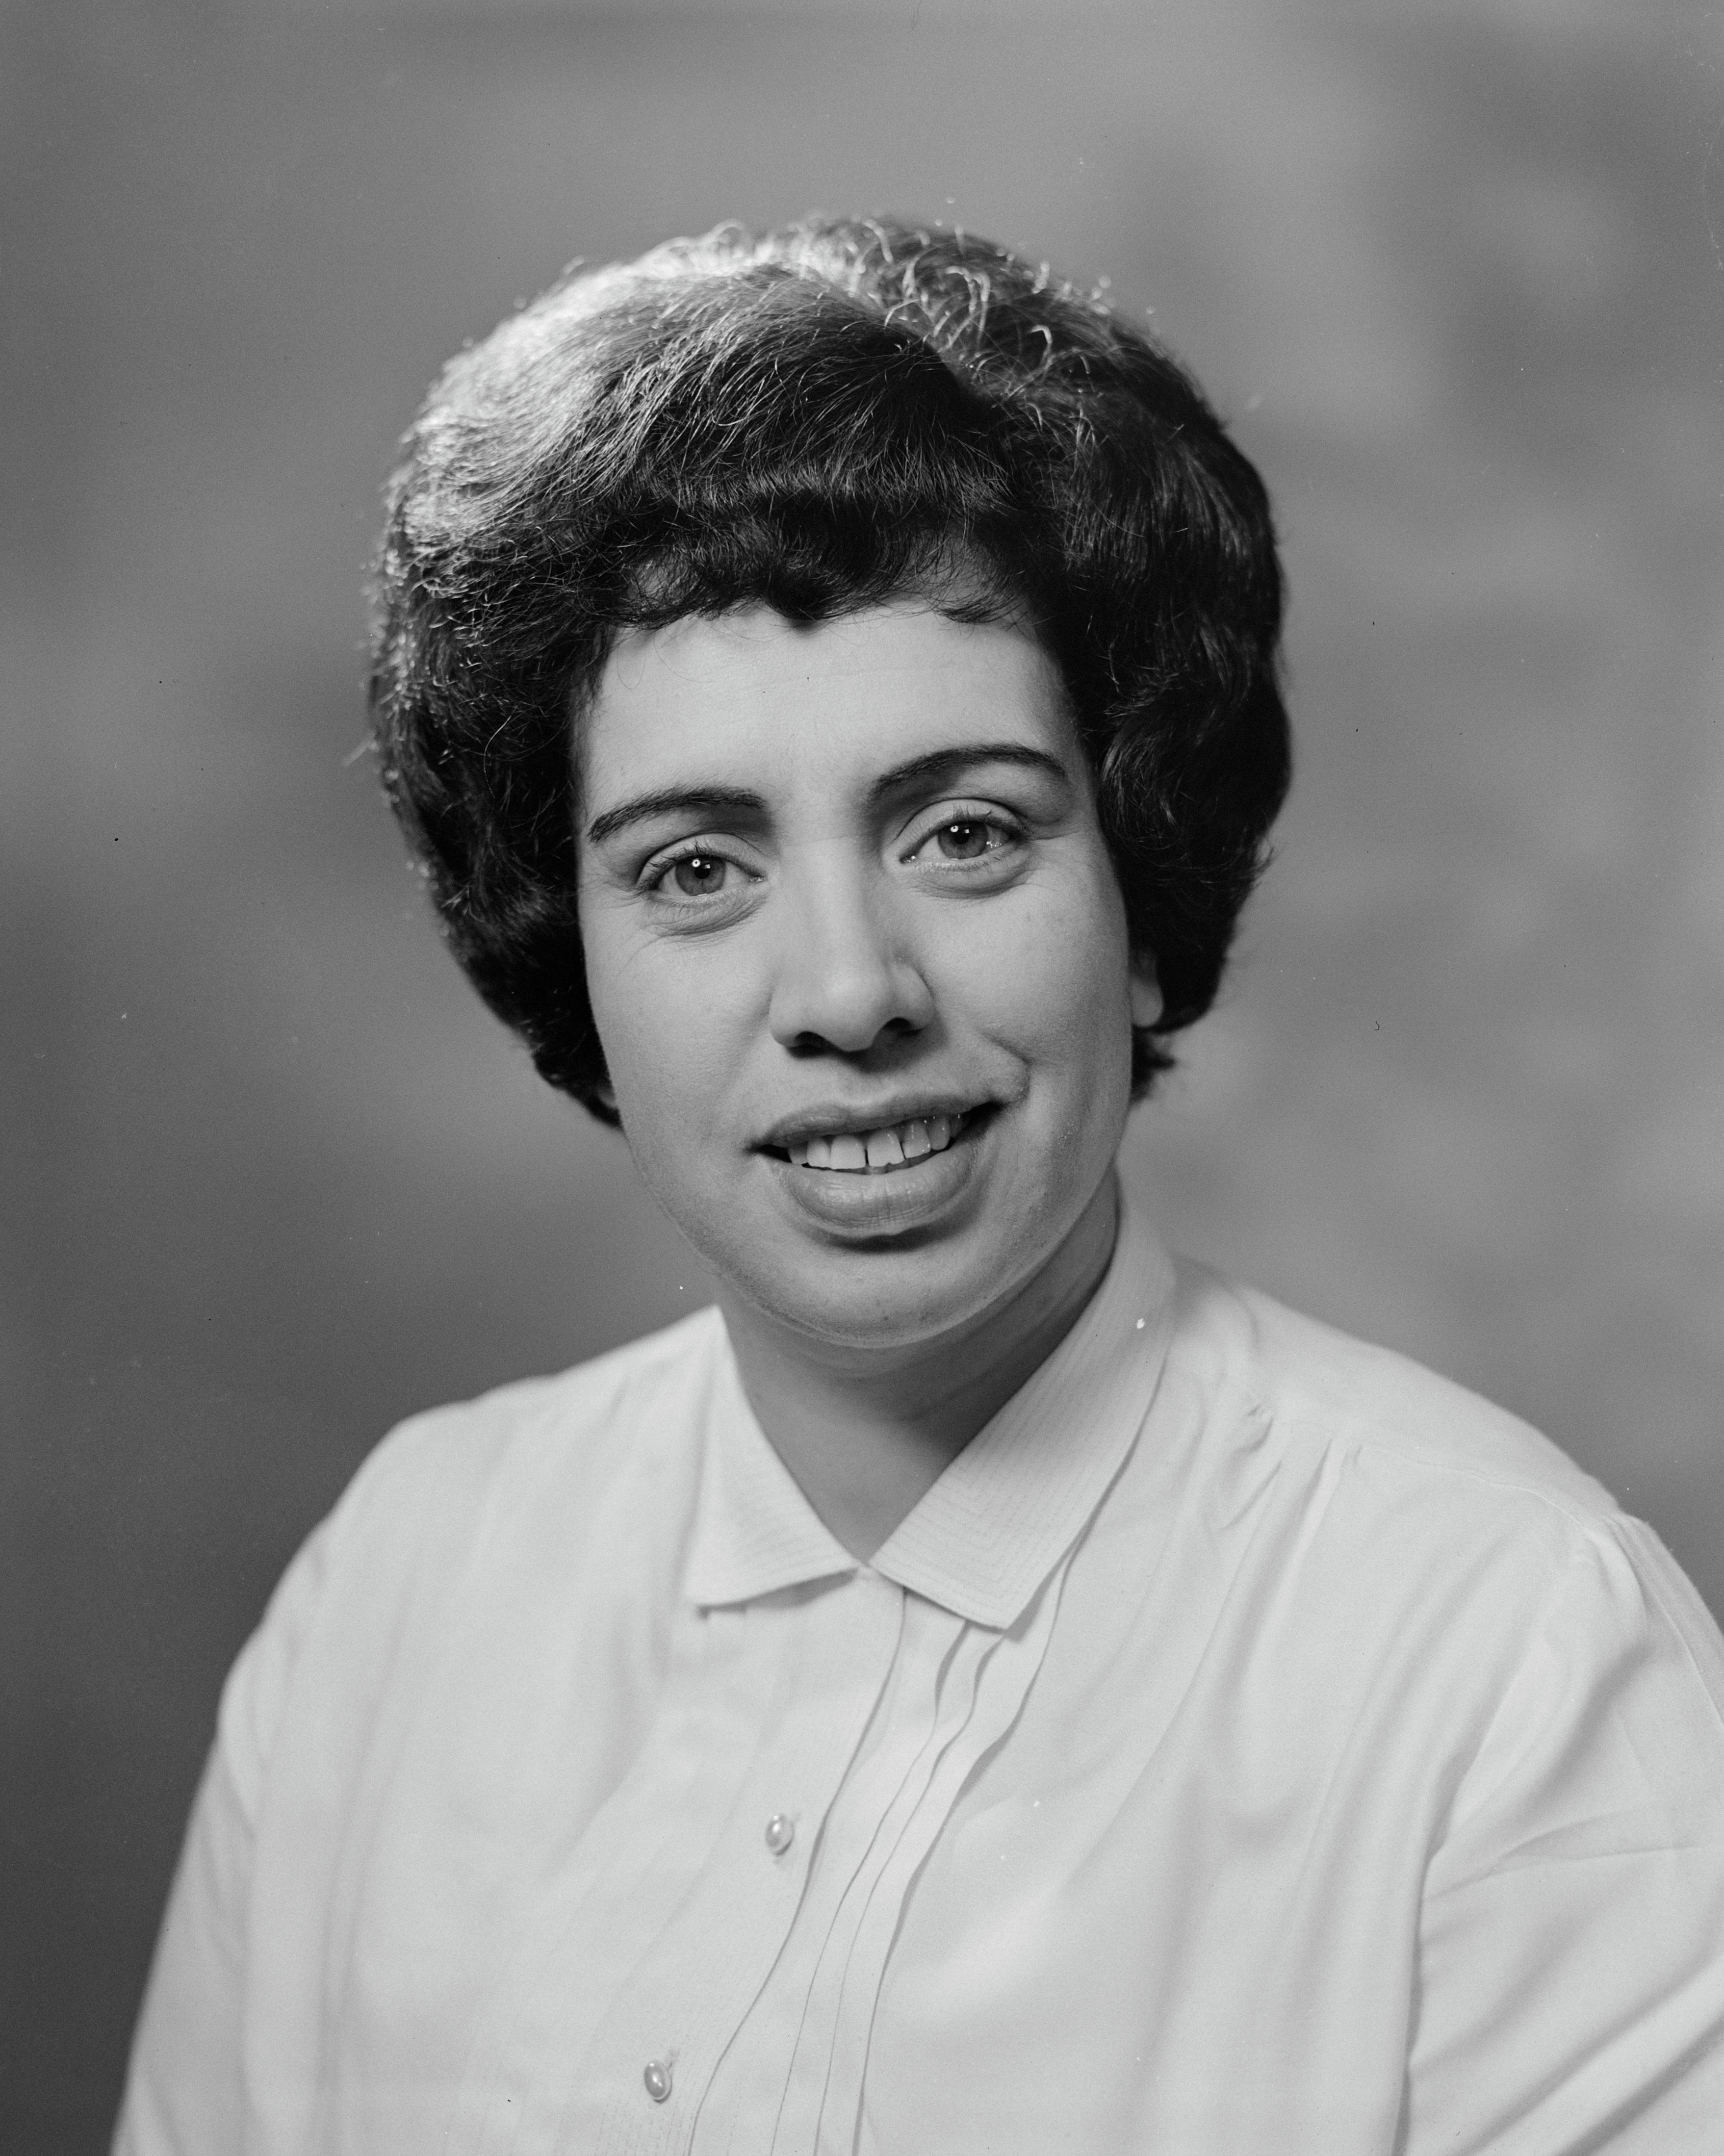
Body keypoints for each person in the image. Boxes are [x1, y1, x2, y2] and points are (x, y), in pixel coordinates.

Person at [115, 217, 1724, 2155]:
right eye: (695, 867)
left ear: (1143, 902)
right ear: (575, 965)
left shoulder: (1512, 1655)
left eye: (963, 831)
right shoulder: (402, 1581)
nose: (850, 991)